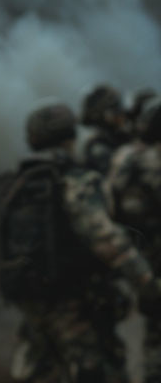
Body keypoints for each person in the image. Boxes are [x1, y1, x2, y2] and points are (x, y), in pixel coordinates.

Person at [0, 103, 161, 383]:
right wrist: (146, 283)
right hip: (76, 302)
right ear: (70, 135)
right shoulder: (75, 181)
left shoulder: (12, 187)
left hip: (30, 303)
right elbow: (105, 238)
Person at [107, 96, 161, 383]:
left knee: (154, 334)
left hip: (141, 260)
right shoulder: (152, 161)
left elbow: (111, 209)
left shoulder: (123, 157)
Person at [80, 84, 131, 174]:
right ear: (107, 116)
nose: (122, 113)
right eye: (117, 108)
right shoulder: (98, 148)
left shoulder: (119, 136)